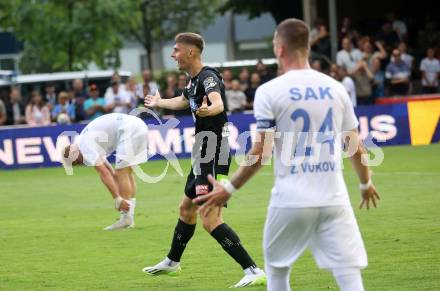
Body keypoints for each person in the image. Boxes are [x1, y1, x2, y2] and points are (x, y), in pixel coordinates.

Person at [195, 19, 380, 291]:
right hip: (334, 200)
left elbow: (261, 153)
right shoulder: (336, 88)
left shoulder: (269, 92)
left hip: (291, 200)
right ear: (306, 47)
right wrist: (365, 183)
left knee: (277, 273)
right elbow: (355, 146)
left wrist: (230, 187)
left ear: (280, 49)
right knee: (349, 276)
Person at [143, 32, 266, 288]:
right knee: (186, 209)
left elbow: (218, 103)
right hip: (203, 152)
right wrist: (159, 102)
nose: (172, 54)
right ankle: (173, 262)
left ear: (190, 52)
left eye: (176, 50)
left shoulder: (208, 77)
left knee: (209, 218)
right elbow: (183, 100)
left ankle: (253, 270)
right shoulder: (193, 80)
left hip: (214, 153)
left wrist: (210, 109)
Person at [61, 113, 149, 230]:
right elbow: (110, 172)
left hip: (129, 129)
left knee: (122, 171)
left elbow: (104, 173)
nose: (81, 163)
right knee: (127, 171)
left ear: (73, 153)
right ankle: (128, 218)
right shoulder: (84, 141)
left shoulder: (84, 145)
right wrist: (116, 184)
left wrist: (118, 199)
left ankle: (126, 218)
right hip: (140, 126)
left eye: (77, 162)